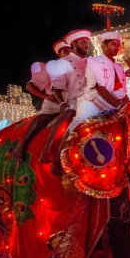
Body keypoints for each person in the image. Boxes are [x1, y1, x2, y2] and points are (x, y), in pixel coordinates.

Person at [39, 29, 92, 175]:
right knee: (69, 114)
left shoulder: (90, 62)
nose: (86, 44)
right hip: (73, 103)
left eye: (87, 42)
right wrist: (62, 103)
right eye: (83, 42)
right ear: (74, 44)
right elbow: (57, 87)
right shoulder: (63, 63)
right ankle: (50, 153)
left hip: (91, 103)